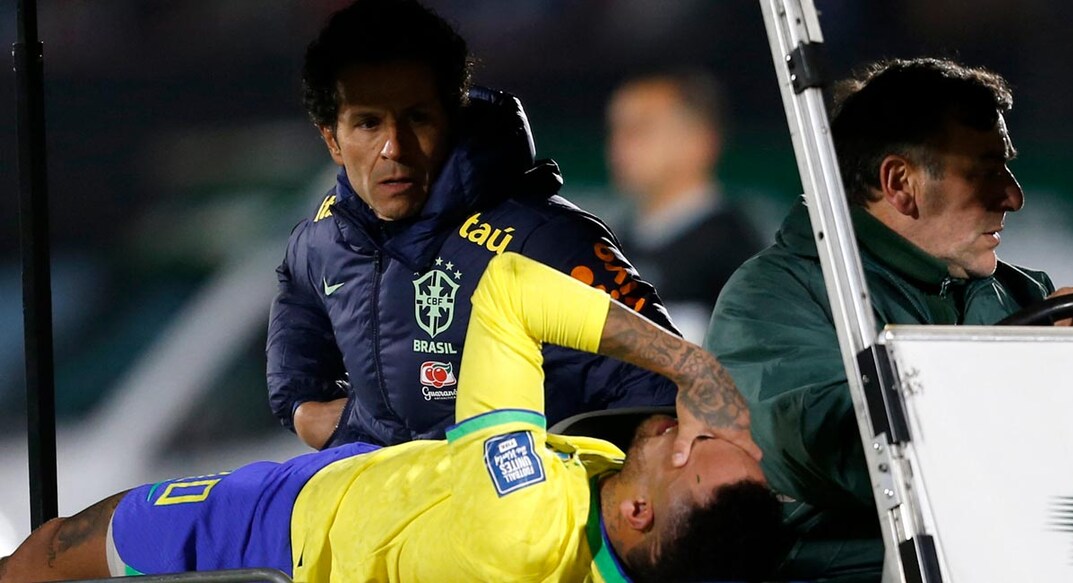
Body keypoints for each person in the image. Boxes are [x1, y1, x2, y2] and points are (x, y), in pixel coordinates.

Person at [0, 253, 786, 583]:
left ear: (641, 511)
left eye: (698, 446)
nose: (698, 426)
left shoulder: (524, 521)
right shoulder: (638, 532)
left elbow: (508, 290)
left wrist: (692, 363)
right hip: (377, 496)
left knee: (53, 549)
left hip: (294, 531)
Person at [705, 57, 1073, 581]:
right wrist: (1034, 370)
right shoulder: (773, 299)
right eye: (986, 172)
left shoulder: (1024, 294)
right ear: (901, 182)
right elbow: (852, 451)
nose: (1013, 196)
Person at [268, 0, 679, 451]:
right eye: (368, 123)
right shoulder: (327, 237)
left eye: (418, 118)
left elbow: (662, 394)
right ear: (332, 139)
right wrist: (307, 410)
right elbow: (298, 305)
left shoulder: (546, 241)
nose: (395, 148)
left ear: (451, 117)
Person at [606, 70, 765, 342]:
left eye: (640, 129)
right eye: (615, 129)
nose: (619, 145)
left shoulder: (736, 257)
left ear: (699, 141)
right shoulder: (611, 244)